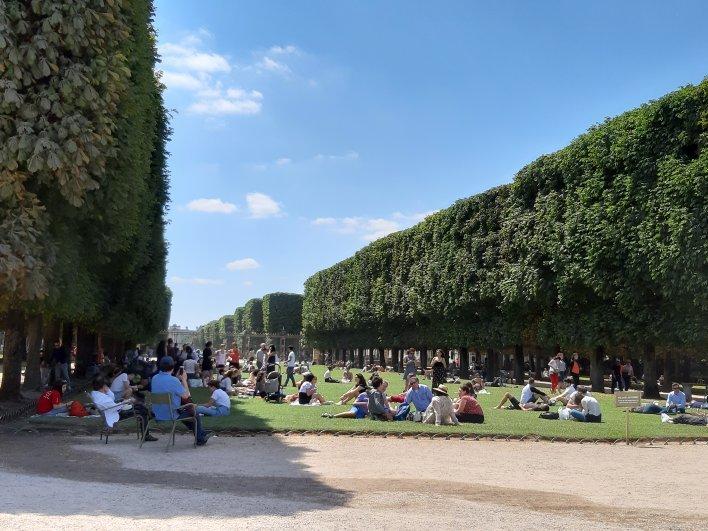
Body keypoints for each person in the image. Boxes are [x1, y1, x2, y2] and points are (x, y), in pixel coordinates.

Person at [150, 356, 212, 446]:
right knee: (193, 413)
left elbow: (166, 386)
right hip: (171, 414)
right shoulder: (174, 381)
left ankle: (201, 433)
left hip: (157, 412)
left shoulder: (155, 378)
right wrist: (184, 380)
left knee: (186, 413)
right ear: (172, 367)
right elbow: (186, 396)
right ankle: (200, 438)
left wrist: (176, 378)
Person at [90, 376, 157, 441]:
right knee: (142, 412)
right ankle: (147, 431)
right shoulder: (102, 398)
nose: (108, 387)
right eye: (106, 386)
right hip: (116, 415)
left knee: (139, 407)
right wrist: (127, 401)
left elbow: (112, 399)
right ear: (104, 386)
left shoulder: (97, 395)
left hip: (113, 412)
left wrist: (109, 392)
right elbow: (114, 407)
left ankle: (150, 415)